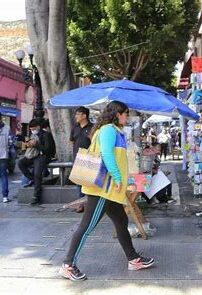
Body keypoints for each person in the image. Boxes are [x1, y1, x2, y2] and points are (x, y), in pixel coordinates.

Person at [59, 101, 154, 281]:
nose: (126, 117)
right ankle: (68, 264)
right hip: (104, 189)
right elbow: (108, 154)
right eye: (125, 114)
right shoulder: (109, 130)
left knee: (121, 220)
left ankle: (133, 259)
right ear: (117, 114)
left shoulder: (111, 130)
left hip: (110, 190)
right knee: (86, 226)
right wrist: (118, 177)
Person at [18, 119, 56, 205]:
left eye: (33, 128)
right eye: (31, 129)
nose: (32, 131)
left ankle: (36, 196)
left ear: (38, 127)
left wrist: (36, 145)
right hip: (32, 155)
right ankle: (33, 180)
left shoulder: (46, 135)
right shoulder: (32, 135)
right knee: (20, 163)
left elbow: (48, 150)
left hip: (42, 156)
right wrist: (28, 145)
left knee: (37, 173)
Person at [70, 106, 94, 213]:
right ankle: (80, 204)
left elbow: (95, 142)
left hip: (89, 159)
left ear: (84, 115)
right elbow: (72, 141)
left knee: (89, 182)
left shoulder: (92, 127)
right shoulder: (74, 127)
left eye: (77, 114)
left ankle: (90, 204)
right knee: (79, 182)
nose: (76, 116)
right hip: (77, 158)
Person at [0, 113, 11, 203]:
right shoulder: (7, 128)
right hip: (3, 156)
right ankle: (5, 197)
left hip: (3, 156)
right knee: (3, 176)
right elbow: (11, 142)